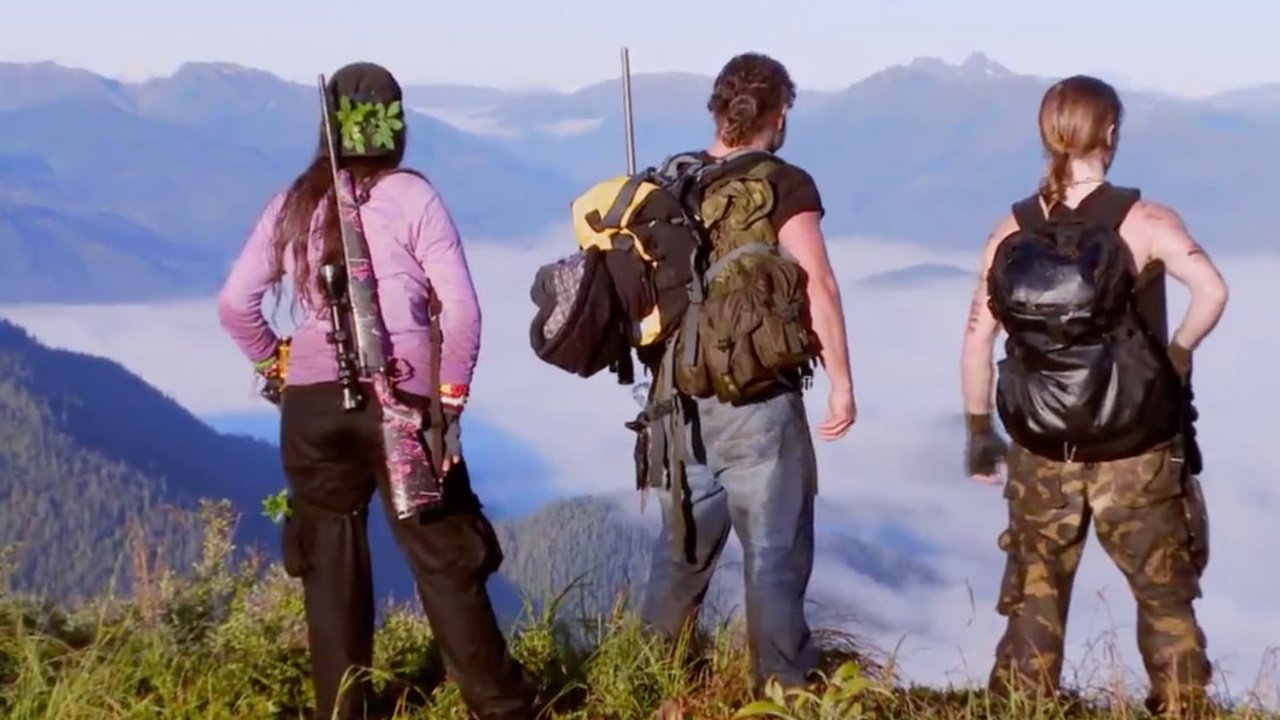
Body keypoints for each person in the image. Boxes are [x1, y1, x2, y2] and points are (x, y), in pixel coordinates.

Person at [217, 62, 537, 720]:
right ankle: (502, 707)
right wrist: (448, 404)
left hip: (312, 408)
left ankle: (344, 711)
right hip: (405, 404)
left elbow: (235, 305)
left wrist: (278, 367)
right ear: (397, 130)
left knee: (328, 567)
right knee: (444, 556)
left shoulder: (294, 203)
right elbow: (462, 313)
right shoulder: (414, 198)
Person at [960, 74, 1229, 716]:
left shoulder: (1011, 230)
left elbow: (975, 341)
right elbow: (1213, 292)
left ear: (1047, 135)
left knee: (1035, 590)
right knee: (1163, 593)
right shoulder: (1147, 222)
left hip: (1042, 449)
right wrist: (1178, 354)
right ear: (1110, 133)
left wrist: (977, 432)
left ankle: (1023, 705)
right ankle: (1182, 705)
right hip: (1137, 448)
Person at [637, 52, 858, 693]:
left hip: (677, 402)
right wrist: (842, 384)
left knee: (680, 554)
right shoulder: (783, 184)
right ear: (779, 114)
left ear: (718, 111)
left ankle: (648, 680)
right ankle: (784, 689)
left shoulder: (670, 181)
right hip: (757, 400)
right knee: (774, 558)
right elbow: (818, 284)